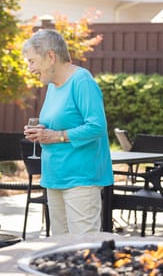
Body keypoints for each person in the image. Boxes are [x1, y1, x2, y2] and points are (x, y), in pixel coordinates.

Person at [22, 29, 113, 235]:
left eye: (32, 61)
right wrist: (42, 132)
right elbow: (60, 123)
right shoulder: (54, 86)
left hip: (80, 179)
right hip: (55, 177)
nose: (30, 68)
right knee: (59, 247)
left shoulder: (82, 81)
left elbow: (97, 126)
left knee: (83, 247)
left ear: (51, 56)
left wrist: (57, 136)